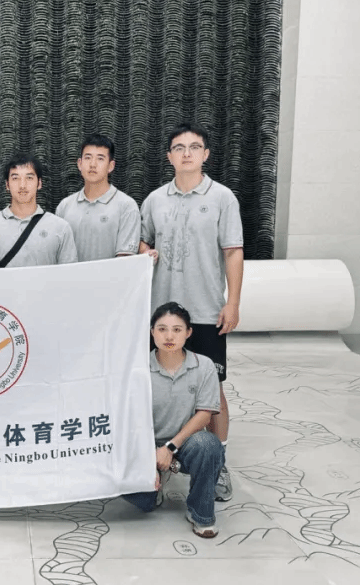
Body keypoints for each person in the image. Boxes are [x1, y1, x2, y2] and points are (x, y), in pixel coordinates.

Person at [139, 124, 243, 503]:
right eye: (179, 148)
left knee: (213, 390)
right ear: (169, 156)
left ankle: (218, 462)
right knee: (152, 386)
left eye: (194, 147)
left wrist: (232, 302)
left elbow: (233, 250)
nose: (186, 153)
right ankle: (154, 458)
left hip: (205, 311)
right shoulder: (154, 200)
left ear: (205, 154)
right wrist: (145, 251)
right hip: (161, 314)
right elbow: (142, 241)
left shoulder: (222, 198)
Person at [123, 302, 224, 538]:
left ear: (188, 332)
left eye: (177, 330)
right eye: (162, 329)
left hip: (185, 443)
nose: (169, 336)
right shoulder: (137, 368)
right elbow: (130, 418)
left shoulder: (204, 366)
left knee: (208, 445)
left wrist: (169, 449)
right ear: (152, 332)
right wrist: (148, 457)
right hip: (145, 444)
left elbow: (204, 415)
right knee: (141, 500)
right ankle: (154, 486)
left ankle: (201, 515)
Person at [0, 153, 77, 268]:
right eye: (15, 178)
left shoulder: (61, 228)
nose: (22, 185)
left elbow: (69, 275)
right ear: (7, 184)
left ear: (39, 183)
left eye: (29, 178)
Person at [56, 134, 140, 261]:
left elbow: (125, 262)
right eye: (88, 158)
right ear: (79, 164)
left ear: (111, 166)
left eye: (100, 158)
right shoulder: (64, 206)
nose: (93, 164)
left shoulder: (127, 206)